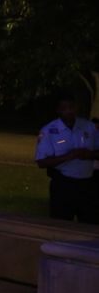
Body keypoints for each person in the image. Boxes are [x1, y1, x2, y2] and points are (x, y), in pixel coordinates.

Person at [35, 94, 99, 223]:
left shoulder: (90, 127)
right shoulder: (49, 131)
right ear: (58, 110)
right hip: (63, 185)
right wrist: (69, 156)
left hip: (88, 185)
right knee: (61, 225)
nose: (69, 111)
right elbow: (41, 162)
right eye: (64, 108)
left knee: (90, 226)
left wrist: (88, 155)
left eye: (71, 107)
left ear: (76, 108)